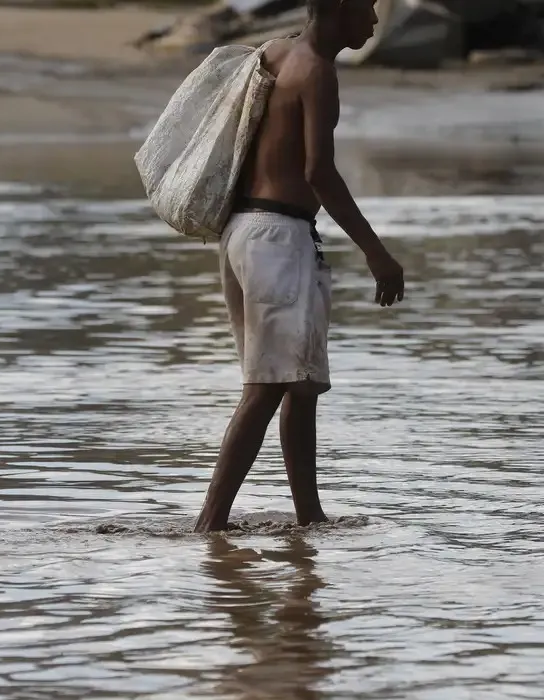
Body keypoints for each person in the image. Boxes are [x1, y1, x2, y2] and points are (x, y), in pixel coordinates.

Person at [193, 0, 405, 533]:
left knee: (299, 383)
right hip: (277, 239)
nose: (376, 22)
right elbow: (319, 172)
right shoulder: (318, 71)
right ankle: (209, 525)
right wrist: (376, 252)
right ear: (338, 8)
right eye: (369, 9)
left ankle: (309, 519)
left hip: (245, 232)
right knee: (266, 386)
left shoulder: (276, 52)